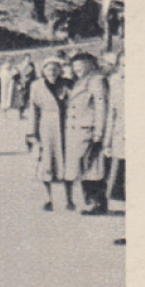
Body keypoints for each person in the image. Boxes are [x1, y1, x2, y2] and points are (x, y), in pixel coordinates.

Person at [65, 51, 110, 215]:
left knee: (92, 167)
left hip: (88, 130)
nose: (77, 69)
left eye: (80, 65)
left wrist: (98, 133)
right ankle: (90, 201)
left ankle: (97, 202)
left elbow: (101, 107)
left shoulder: (96, 80)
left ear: (90, 64)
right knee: (83, 167)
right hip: (77, 131)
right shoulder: (79, 82)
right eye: (74, 66)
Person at [28, 57, 70, 211]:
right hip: (46, 126)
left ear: (60, 70)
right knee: (46, 162)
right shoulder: (36, 86)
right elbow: (33, 109)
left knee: (66, 163)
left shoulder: (66, 84)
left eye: (55, 69)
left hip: (65, 126)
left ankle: (69, 199)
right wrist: (31, 132)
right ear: (43, 71)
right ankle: (47, 198)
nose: (52, 72)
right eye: (48, 69)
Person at [103, 51, 126, 204]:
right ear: (118, 67)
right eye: (123, 65)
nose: (126, 69)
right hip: (120, 130)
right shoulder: (114, 82)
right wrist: (107, 142)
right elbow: (111, 113)